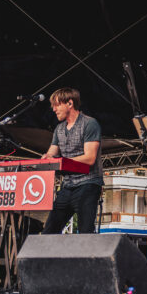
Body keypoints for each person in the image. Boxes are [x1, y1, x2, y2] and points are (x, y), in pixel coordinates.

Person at [42, 88, 104, 234]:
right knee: (48, 232)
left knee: (85, 233)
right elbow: (52, 152)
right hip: (67, 186)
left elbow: (90, 158)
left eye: (57, 105)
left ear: (70, 103)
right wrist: (46, 157)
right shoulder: (59, 129)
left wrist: (62, 161)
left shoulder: (90, 123)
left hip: (88, 184)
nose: (54, 109)